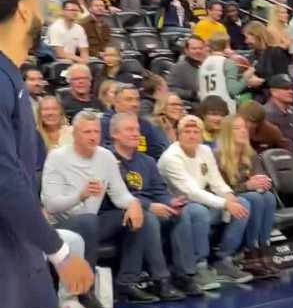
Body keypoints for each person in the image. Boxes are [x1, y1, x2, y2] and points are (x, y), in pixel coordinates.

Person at [0, 0, 92, 308]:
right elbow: (4, 180)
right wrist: (58, 250)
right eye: (36, 2)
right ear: (22, 10)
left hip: (21, 251)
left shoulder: (12, 78)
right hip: (7, 249)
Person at [42, 110, 156, 308]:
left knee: (137, 216)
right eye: (87, 132)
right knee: (89, 220)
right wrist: (80, 195)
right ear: (75, 134)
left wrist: (133, 204)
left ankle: (127, 282)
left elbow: (119, 193)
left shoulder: (106, 157)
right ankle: (86, 290)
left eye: (96, 131)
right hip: (62, 225)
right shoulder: (57, 158)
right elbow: (51, 205)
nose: (93, 136)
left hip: (91, 223)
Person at [111, 113, 207, 297]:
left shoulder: (147, 161)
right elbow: (118, 194)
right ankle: (160, 279)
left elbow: (160, 190)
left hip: (153, 207)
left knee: (181, 213)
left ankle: (183, 274)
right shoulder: (109, 160)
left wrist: (170, 201)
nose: (135, 133)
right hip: (125, 212)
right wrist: (149, 206)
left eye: (137, 129)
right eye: (129, 129)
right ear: (114, 133)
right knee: (149, 219)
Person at [158, 115, 253, 284]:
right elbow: (190, 191)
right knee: (199, 210)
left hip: (202, 202)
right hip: (178, 206)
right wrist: (225, 203)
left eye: (196, 132)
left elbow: (215, 181)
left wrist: (229, 195)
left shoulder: (205, 150)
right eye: (187, 131)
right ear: (178, 134)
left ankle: (224, 259)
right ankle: (199, 265)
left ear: (202, 135)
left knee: (242, 203)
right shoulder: (171, 157)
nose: (192, 135)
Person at [216, 115, 279, 279]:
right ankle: (249, 251)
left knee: (268, 197)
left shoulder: (250, 155)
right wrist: (247, 186)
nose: (243, 131)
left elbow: (261, 178)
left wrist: (264, 182)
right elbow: (220, 191)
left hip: (249, 196)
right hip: (226, 201)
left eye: (244, 127)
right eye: (237, 128)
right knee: (255, 198)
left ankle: (263, 247)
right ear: (227, 133)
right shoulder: (217, 157)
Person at [101, 84, 167, 160]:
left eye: (137, 100)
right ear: (116, 102)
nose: (135, 104)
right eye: (129, 99)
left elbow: (156, 151)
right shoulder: (104, 124)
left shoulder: (145, 125)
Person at [198, 33, 257, 114]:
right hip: (224, 110)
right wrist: (247, 76)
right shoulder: (228, 63)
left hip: (206, 109)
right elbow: (233, 90)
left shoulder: (203, 64)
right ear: (227, 45)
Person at [244, 21, 290, 90]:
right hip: (255, 93)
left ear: (257, 36)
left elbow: (283, 79)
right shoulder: (251, 55)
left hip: (274, 93)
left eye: (247, 37)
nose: (245, 41)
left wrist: (262, 82)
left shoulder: (276, 52)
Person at [168, 35, 206, 102]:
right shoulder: (178, 67)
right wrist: (193, 94)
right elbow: (172, 89)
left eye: (200, 48)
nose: (198, 51)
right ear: (186, 51)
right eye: (194, 49)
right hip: (191, 105)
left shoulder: (210, 65)